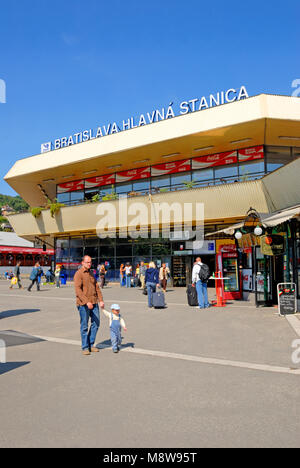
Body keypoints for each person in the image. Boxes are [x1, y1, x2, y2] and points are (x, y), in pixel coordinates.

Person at [74, 255, 105, 355]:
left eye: (90, 262)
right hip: (83, 304)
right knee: (84, 325)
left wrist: (101, 300)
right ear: (82, 263)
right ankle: (85, 347)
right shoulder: (78, 274)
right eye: (87, 262)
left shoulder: (92, 273)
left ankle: (91, 344)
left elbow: (97, 287)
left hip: (94, 302)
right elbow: (78, 290)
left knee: (96, 323)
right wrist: (87, 301)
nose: (89, 264)